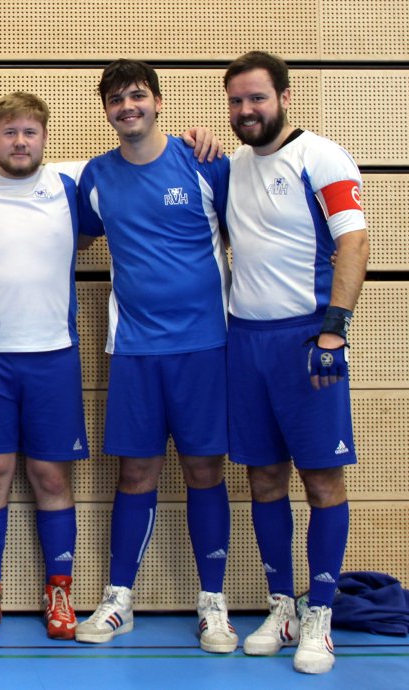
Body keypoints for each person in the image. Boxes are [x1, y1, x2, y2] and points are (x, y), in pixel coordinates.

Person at [74, 59, 238, 654]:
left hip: (203, 347)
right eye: (115, 99)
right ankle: (119, 599)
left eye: (137, 95)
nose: (127, 106)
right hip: (135, 351)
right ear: (107, 110)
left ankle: (212, 604)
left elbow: (250, 230)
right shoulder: (95, 175)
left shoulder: (203, 162)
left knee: (204, 472)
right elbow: (63, 224)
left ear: (159, 102)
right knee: (135, 474)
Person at [222, 51, 369, 675]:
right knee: (262, 480)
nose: (247, 110)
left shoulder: (322, 156)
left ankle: (321, 615)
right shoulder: (230, 165)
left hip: (308, 340)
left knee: (321, 481)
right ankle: (281, 605)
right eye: (236, 101)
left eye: (257, 98)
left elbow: (355, 240)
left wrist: (334, 332)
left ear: (285, 96)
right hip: (245, 341)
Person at [0, 92, 90, 639]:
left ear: (45, 137)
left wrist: (195, 142)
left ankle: (59, 592)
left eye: (30, 132)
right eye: (10, 132)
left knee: (51, 476)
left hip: (53, 355)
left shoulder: (70, 183)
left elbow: (139, 157)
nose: (20, 142)